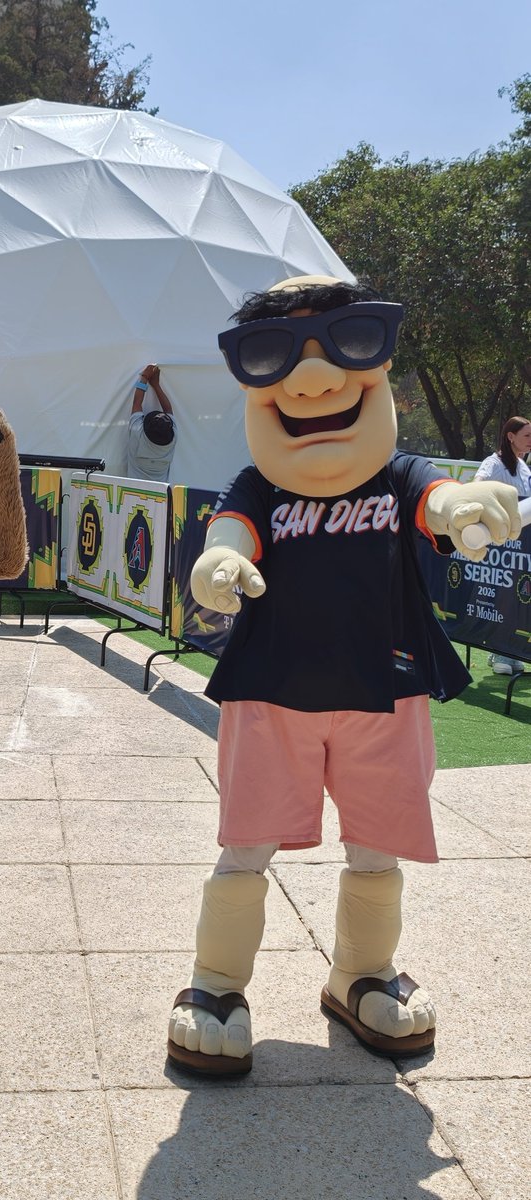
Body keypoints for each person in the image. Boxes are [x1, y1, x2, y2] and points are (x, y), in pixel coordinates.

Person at [166, 275, 520, 1077]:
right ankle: (215, 987)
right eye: (278, 356)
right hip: (271, 691)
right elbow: (228, 532)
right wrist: (219, 565)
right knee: (246, 846)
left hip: (382, 693)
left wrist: (467, 505)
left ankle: (360, 977)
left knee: (376, 850)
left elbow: (439, 499)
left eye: (348, 343)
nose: (316, 379)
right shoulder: (260, 486)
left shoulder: (399, 475)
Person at [473, 416, 531, 675]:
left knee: (519, 596)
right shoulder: (493, 463)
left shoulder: (524, 466)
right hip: (500, 546)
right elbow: (477, 488)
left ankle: (510, 650)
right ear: (511, 436)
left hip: (523, 545)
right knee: (501, 595)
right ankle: (498, 651)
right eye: (527, 435)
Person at [126, 363, 176, 481]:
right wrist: (156, 385)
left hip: (134, 491)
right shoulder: (172, 438)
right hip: (160, 494)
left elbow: (137, 403)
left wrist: (144, 377)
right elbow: (168, 409)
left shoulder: (137, 433)